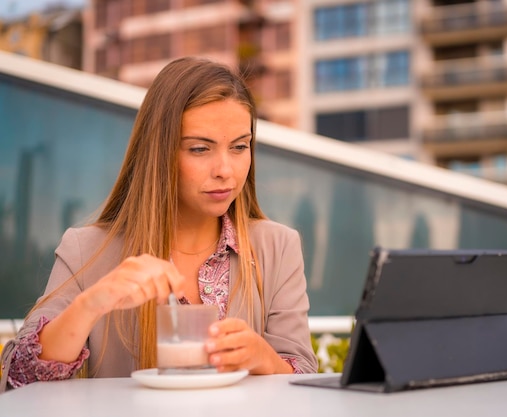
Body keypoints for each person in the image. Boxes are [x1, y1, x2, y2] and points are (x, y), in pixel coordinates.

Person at [0, 57, 318, 391]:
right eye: (199, 149)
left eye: (240, 146)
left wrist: (265, 359)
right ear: (159, 152)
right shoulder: (87, 250)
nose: (226, 169)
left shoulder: (278, 247)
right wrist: (93, 302)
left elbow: (306, 378)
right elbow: (18, 378)